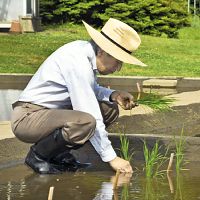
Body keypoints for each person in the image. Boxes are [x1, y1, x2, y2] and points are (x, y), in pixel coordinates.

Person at [11, 18, 146, 174]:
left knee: (110, 109)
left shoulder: (85, 53)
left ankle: (58, 154)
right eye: (118, 61)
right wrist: (112, 158)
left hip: (50, 114)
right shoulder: (77, 62)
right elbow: (90, 113)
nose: (118, 68)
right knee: (85, 121)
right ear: (102, 51)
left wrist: (113, 95)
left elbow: (89, 89)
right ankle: (38, 156)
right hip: (28, 118)